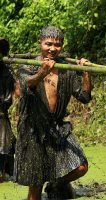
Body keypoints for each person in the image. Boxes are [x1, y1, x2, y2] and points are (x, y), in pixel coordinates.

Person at [14, 26, 92, 200]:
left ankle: (56, 184)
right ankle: (47, 186)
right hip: (33, 130)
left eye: (57, 45)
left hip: (57, 128)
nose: (52, 48)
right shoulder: (28, 66)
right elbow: (26, 87)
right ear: (40, 43)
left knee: (81, 167)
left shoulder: (67, 69)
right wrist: (42, 73)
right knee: (35, 189)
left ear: (62, 46)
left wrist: (87, 72)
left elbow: (84, 97)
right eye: (48, 44)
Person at [0, 38, 16, 183]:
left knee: (4, 148)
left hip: (1, 117)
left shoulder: (7, 73)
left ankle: (3, 174)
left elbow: (10, 97)